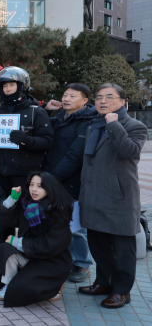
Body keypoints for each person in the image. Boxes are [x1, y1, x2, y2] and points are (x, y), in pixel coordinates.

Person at [77, 83, 147, 309]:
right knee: (98, 246)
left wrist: (114, 124)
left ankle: (121, 291)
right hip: (93, 196)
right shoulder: (93, 126)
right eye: (99, 97)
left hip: (119, 199)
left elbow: (130, 152)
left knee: (123, 251)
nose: (102, 101)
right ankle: (104, 283)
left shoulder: (135, 126)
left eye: (109, 97)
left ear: (122, 102)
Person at [0, 172, 73, 307]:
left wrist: (18, 242)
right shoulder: (28, 206)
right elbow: (7, 221)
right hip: (31, 256)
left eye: (40, 186)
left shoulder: (58, 213)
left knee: (23, 289)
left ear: (49, 188)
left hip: (52, 262)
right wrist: (12, 199)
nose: (34, 189)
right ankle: (9, 284)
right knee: (2, 251)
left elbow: (49, 246)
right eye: (31, 185)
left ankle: (54, 286)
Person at [41, 83, 98, 283]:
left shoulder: (89, 121)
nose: (66, 99)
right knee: (55, 221)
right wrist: (47, 111)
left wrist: (53, 179)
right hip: (52, 177)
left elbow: (75, 155)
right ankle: (62, 258)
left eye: (72, 96)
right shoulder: (59, 118)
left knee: (75, 226)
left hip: (71, 180)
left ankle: (82, 264)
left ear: (84, 101)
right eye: (65, 95)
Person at [0, 67, 53, 194]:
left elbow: (48, 142)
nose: (8, 89)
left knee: (22, 210)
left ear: (22, 86)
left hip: (25, 175)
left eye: (12, 85)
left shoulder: (36, 112)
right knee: (3, 209)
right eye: (4, 85)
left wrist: (27, 140)